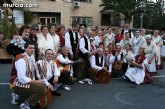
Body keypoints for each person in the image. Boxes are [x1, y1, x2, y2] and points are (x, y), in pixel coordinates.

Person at [13, 42, 47, 109]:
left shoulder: (31, 56)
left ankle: (18, 95)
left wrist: (40, 80)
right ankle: (25, 104)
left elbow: (33, 71)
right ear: (25, 49)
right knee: (42, 89)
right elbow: (21, 78)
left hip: (28, 83)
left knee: (42, 86)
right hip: (20, 85)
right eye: (30, 48)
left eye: (33, 48)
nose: (32, 49)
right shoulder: (21, 60)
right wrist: (37, 82)